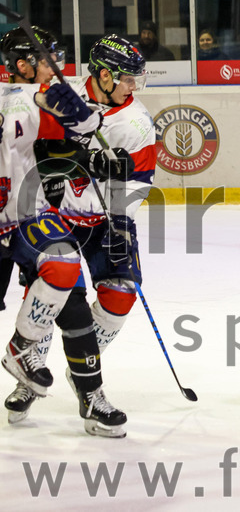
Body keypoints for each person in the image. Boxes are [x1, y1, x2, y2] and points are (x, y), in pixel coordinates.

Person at [3, 35, 149, 433]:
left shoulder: (137, 122)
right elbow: (38, 151)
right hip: (53, 213)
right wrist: (84, 158)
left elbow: (142, 179)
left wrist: (118, 205)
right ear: (104, 74)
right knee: (64, 291)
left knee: (120, 295)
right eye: (127, 79)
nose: (133, 87)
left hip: (104, 221)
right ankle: (56, 380)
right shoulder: (59, 98)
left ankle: (79, 365)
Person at [0, 26, 66, 312]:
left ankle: (22, 355)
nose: (53, 69)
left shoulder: (41, 98)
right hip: (11, 218)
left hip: (24, 219)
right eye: (46, 61)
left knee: (63, 278)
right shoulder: (26, 100)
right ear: (22, 65)